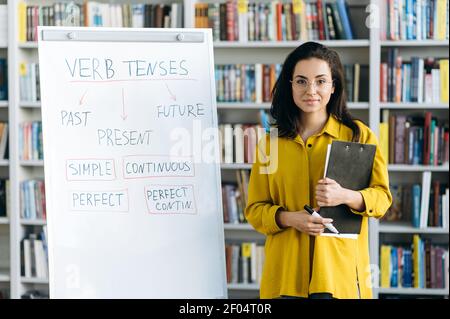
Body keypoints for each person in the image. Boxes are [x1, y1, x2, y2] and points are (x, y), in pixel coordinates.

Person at [244, 42, 392, 299]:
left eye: (321, 81)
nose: (311, 90)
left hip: (339, 274)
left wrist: (345, 196)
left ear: (333, 87)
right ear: (290, 85)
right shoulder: (271, 143)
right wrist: (290, 218)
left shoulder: (359, 135)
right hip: (286, 275)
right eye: (301, 81)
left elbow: (382, 199)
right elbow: (255, 210)